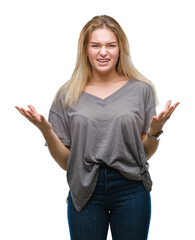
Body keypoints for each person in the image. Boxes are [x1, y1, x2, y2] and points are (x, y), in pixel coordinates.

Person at [16, 15, 180, 240]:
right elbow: (67, 163)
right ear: (85, 50)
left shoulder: (141, 90)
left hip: (131, 188)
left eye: (110, 45)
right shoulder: (67, 95)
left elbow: (143, 154)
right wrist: (47, 131)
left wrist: (154, 131)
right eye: (96, 45)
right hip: (85, 190)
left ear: (120, 49)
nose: (103, 52)